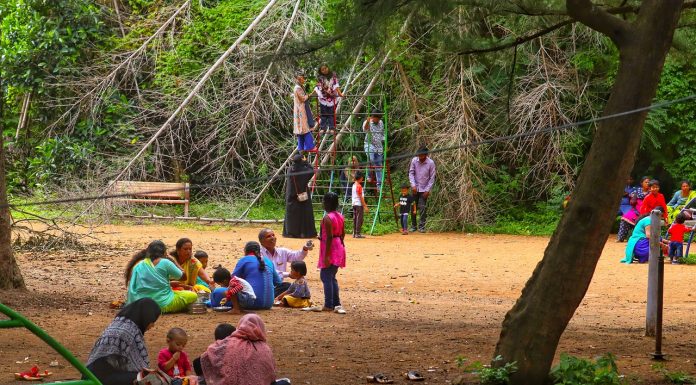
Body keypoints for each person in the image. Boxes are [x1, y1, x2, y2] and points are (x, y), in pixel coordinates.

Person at [85, 298, 160, 385]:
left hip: (91, 372)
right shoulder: (130, 331)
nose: (153, 325)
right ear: (147, 317)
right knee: (145, 378)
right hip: (102, 378)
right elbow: (139, 368)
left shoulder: (120, 322)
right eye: (153, 321)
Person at [201, 314, 289, 385]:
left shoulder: (227, 344)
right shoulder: (265, 349)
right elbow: (271, 377)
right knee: (285, 382)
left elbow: (203, 358)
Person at [125, 240, 197, 313]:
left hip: (142, 305)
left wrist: (169, 284)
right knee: (192, 295)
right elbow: (183, 277)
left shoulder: (138, 265)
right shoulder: (165, 262)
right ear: (164, 252)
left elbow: (146, 285)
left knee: (177, 292)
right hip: (163, 305)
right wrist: (173, 260)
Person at [258, 228, 311, 297]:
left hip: (277, 286)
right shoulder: (259, 254)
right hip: (265, 286)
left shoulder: (282, 251)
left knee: (291, 286)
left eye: (273, 235)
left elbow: (296, 257)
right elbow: (269, 271)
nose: (272, 238)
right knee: (289, 288)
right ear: (261, 241)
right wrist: (288, 274)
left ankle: (275, 297)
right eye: (268, 236)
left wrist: (305, 249)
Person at [319, 192, 347, 314]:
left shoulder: (327, 218)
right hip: (339, 245)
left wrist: (327, 255)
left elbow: (329, 236)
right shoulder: (340, 216)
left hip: (331, 248)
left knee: (325, 276)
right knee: (331, 276)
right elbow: (342, 233)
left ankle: (328, 304)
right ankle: (336, 303)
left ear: (327, 203)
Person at [233, 241, 282, 310]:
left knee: (228, 289)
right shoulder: (268, 261)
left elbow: (233, 278)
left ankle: (235, 309)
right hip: (269, 304)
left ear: (246, 251)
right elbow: (278, 282)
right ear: (259, 251)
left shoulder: (244, 260)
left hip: (251, 304)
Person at [283, 154, 317, 239]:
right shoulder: (304, 169)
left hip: (291, 194)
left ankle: (290, 233)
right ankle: (303, 233)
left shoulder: (290, 169)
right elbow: (312, 170)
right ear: (301, 161)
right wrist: (306, 162)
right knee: (303, 214)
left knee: (292, 214)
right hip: (303, 194)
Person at [408, 146, 436, 233]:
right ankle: (413, 226)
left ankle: (422, 226)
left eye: (422, 156)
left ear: (426, 155)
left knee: (422, 208)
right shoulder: (414, 160)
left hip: (424, 189)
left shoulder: (431, 163)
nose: (420, 157)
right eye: (419, 155)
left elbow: (432, 177)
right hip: (415, 188)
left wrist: (428, 190)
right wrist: (413, 185)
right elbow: (411, 173)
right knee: (413, 207)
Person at [617, 176, 651, 242]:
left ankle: (639, 239)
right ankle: (620, 238)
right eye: (646, 182)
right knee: (625, 218)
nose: (647, 183)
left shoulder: (651, 192)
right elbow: (631, 198)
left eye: (648, 182)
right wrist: (633, 198)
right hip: (635, 210)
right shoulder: (637, 190)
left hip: (646, 212)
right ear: (642, 183)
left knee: (644, 221)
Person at [315, 64, 343, 135]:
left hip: (331, 98)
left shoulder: (333, 75)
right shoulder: (320, 78)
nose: (325, 70)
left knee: (331, 114)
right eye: (323, 70)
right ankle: (322, 128)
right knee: (323, 114)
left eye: (325, 68)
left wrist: (340, 93)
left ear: (328, 67)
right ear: (321, 71)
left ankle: (331, 128)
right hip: (323, 98)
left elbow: (336, 85)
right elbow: (318, 86)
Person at [293, 72, 316, 153]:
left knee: (301, 130)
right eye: (301, 78)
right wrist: (311, 94)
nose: (302, 79)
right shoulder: (297, 88)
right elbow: (303, 98)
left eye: (302, 78)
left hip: (301, 109)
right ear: (298, 79)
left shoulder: (299, 87)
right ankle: (310, 146)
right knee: (305, 128)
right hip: (301, 110)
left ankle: (301, 147)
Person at [362, 109, 385, 190]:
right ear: (373, 117)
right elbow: (365, 130)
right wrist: (368, 122)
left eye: (379, 118)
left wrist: (384, 141)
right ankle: (368, 175)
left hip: (379, 147)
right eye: (377, 118)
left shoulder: (381, 122)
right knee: (371, 159)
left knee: (378, 166)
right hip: (369, 144)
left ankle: (379, 185)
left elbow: (382, 133)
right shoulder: (367, 122)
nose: (378, 120)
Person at [351, 171, 368, 238]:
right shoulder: (359, 186)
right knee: (359, 219)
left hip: (354, 204)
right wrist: (365, 206)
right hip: (358, 204)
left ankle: (354, 233)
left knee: (355, 218)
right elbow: (361, 197)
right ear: (361, 178)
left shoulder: (354, 185)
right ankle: (357, 233)